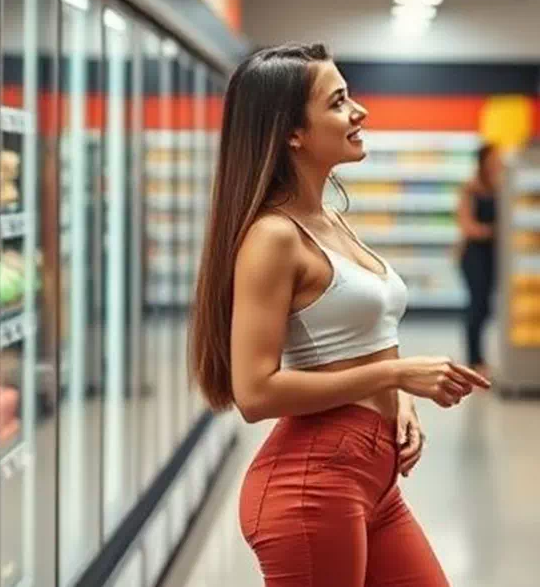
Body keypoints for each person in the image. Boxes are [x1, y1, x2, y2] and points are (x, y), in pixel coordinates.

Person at [189, 43, 491, 587]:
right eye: (338, 102)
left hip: (371, 479)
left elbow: (359, 336)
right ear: (293, 133)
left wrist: (398, 403)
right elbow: (255, 394)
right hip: (312, 485)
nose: (360, 112)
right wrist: (397, 375)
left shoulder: (329, 218)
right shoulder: (273, 236)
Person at [456, 144, 502, 376]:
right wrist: (496, 231)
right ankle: (473, 361)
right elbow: (467, 226)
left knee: (486, 308)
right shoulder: (471, 188)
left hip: (493, 256)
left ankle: (480, 359)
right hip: (474, 256)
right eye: (494, 158)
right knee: (477, 307)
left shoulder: (501, 187)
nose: (499, 162)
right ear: (483, 161)